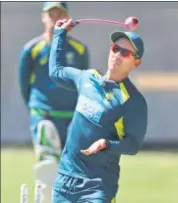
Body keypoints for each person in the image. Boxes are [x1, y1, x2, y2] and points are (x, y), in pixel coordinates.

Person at [49, 19, 148, 203]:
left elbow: (133, 145)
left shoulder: (133, 101)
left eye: (125, 52)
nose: (117, 54)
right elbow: (56, 71)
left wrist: (107, 144)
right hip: (65, 178)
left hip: (97, 186)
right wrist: (59, 34)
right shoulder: (87, 78)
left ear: (137, 61)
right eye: (115, 48)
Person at [18, 3, 90, 202]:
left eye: (59, 13)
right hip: (43, 113)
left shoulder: (79, 49)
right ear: (43, 17)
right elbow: (24, 84)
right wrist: (36, 109)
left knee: (71, 169)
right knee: (47, 164)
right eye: (51, 13)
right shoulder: (32, 49)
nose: (55, 17)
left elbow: (84, 83)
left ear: (67, 17)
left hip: (70, 115)